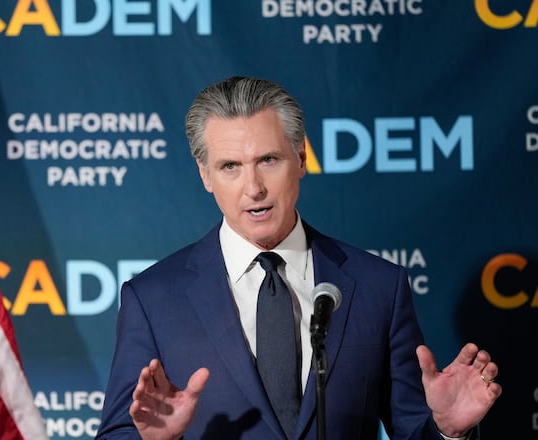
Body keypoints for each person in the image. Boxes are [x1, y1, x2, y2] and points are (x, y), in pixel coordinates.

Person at [97, 77, 501, 439]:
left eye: (268, 160)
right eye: (230, 167)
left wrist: (448, 431)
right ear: (205, 175)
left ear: (301, 159)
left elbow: (412, 429)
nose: (253, 188)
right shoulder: (152, 299)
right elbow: (119, 432)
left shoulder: (380, 287)